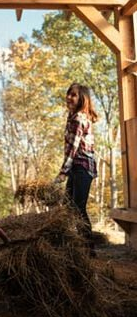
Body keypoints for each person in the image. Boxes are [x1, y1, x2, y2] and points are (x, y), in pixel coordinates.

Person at [54, 83, 98, 257]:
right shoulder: (72, 116)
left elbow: (73, 147)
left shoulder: (79, 118)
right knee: (68, 206)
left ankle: (89, 249)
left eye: (73, 95)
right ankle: (71, 245)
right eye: (68, 94)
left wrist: (63, 171)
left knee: (78, 208)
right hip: (75, 166)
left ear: (82, 99)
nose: (69, 97)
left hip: (82, 167)